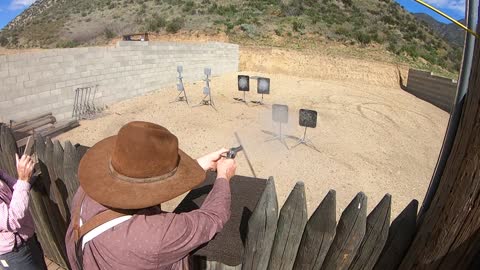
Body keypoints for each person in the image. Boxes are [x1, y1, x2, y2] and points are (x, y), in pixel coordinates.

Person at [65, 121, 237, 270]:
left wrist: (199, 164)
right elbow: (212, 217)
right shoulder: (158, 234)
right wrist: (223, 176)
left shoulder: (85, 192)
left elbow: (142, 182)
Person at [0, 154, 48, 270]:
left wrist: (25, 174)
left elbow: (15, 185)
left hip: (27, 239)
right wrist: (23, 179)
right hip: (14, 253)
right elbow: (11, 221)